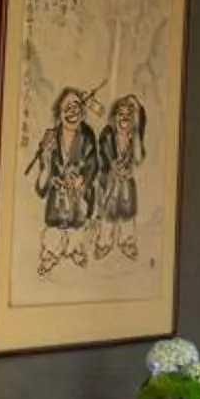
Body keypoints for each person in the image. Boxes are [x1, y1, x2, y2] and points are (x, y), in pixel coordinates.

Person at [27, 86, 98, 273]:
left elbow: (93, 164)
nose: (72, 112)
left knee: (77, 225)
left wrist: (81, 179)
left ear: (82, 112)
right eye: (67, 107)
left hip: (78, 194)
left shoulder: (87, 135)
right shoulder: (52, 136)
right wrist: (46, 156)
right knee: (55, 227)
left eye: (76, 106)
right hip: (58, 195)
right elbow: (43, 180)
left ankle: (75, 250)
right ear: (58, 113)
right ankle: (51, 254)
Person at [93, 93, 149, 262]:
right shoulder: (108, 135)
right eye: (120, 114)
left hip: (126, 181)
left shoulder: (133, 138)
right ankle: (104, 242)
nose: (124, 119)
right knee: (108, 212)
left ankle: (127, 241)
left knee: (127, 211)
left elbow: (138, 159)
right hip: (109, 180)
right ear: (114, 117)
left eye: (128, 116)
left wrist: (137, 131)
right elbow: (102, 156)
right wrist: (112, 167)